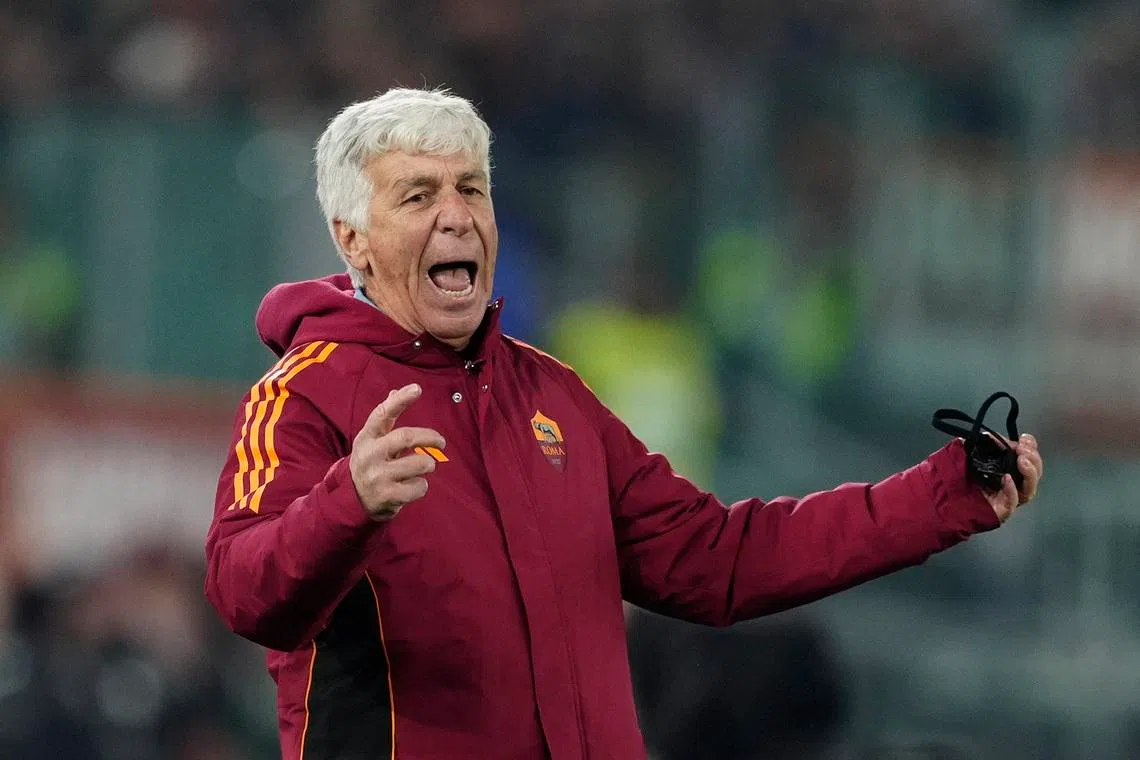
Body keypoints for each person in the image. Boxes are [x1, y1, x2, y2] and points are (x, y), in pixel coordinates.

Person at [203, 88, 1044, 760]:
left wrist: (944, 494)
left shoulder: (554, 398)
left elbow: (719, 559)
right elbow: (245, 591)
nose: (456, 216)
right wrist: (347, 503)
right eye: (418, 196)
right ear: (352, 239)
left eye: (472, 189)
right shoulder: (302, 396)